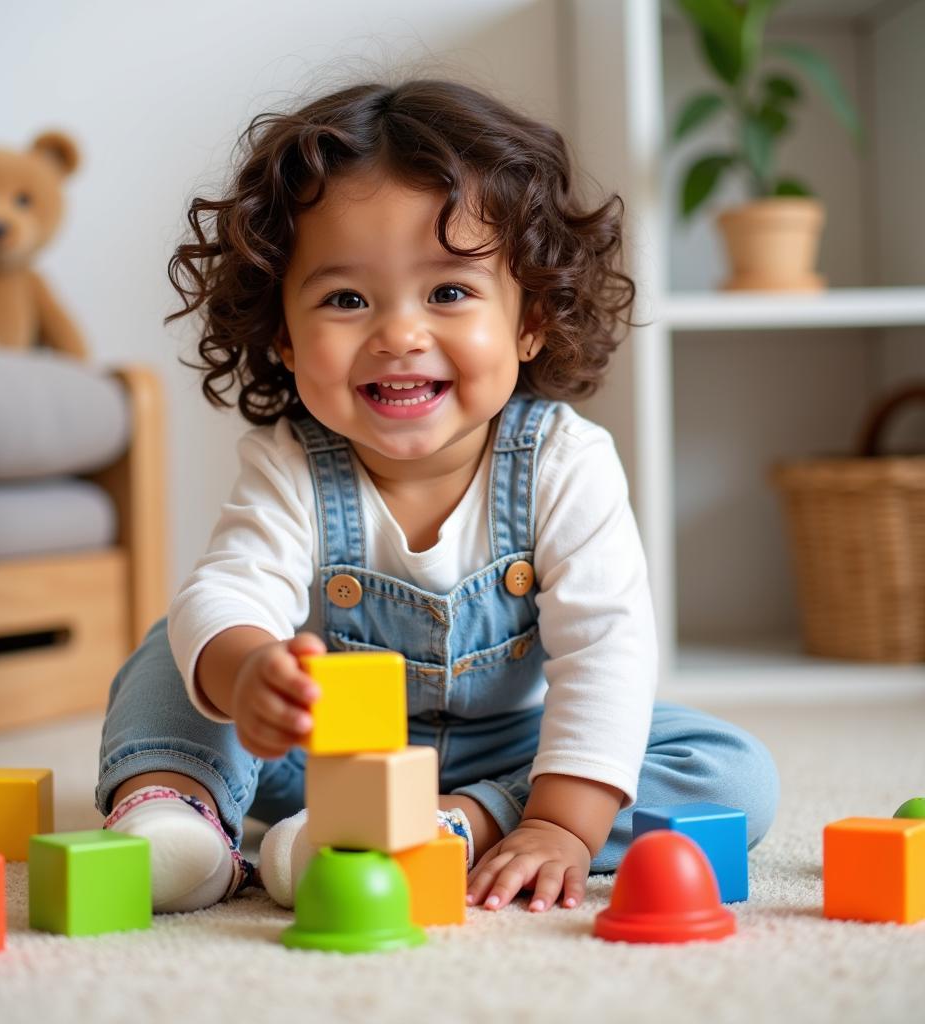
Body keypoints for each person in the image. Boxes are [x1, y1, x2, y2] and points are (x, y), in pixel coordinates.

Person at [96, 78, 779, 916]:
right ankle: (177, 815)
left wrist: (560, 824)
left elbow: (607, 648)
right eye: (346, 299)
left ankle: (457, 826)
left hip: (517, 752)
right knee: (177, 646)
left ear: (530, 318)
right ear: (281, 329)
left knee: (729, 768)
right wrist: (249, 677)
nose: (399, 333)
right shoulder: (290, 465)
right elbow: (233, 587)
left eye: (449, 292)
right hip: (315, 756)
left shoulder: (565, 461)